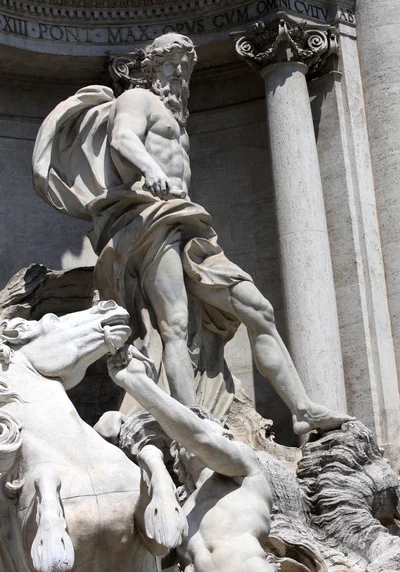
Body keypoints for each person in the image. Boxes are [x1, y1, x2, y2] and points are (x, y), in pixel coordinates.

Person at [33, 32, 352, 434]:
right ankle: (190, 423)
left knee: (258, 308)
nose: (181, 73)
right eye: (172, 63)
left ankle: (303, 409)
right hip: (148, 220)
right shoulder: (137, 99)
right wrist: (149, 168)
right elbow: (122, 139)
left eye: (186, 66)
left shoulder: (178, 121)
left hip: (186, 222)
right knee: (175, 325)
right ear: (150, 68)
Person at [108, 345, 279, 572]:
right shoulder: (181, 510)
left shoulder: (246, 471)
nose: (181, 439)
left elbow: (200, 439)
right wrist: (118, 444)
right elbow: (148, 552)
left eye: (197, 423)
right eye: (177, 440)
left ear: (225, 435)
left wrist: (137, 383)